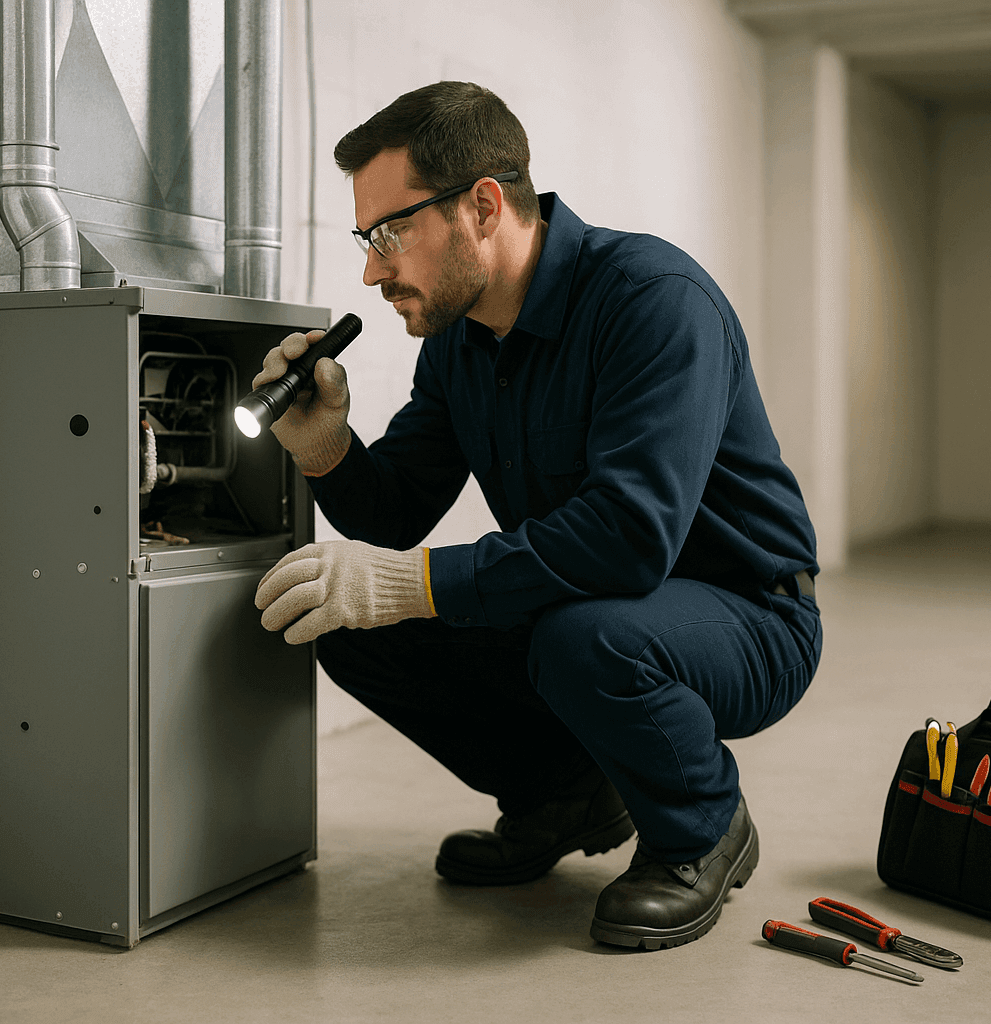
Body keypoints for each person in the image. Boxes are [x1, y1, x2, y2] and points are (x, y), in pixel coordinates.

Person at [252, 81, 821, 951]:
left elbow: (629, 539)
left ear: (483, 206)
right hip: (590, 605)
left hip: (749, 615)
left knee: (583, 637)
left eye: (389, 233)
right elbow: (396, 512)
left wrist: (416, 583)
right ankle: (562, 799)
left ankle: (703, 825)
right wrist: (323, 443)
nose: (372, 270)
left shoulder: (654, 300)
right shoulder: (459, 343)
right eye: (367, 240)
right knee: (349, 623)